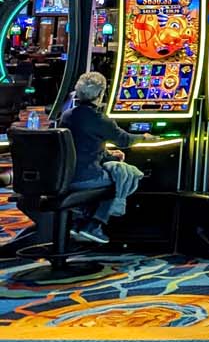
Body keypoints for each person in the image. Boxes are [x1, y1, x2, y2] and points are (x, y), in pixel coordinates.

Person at [58, 72, 153, 244]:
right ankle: (95, 225)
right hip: (85, 178)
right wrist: (144, 138)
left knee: (112, 170)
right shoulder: (100, 119)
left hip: (64, 176)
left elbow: (82, 147)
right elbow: (124, 140)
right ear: (101, 94)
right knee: (120, 176)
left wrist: (109, 155)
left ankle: (80, 221)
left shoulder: (67, 116)